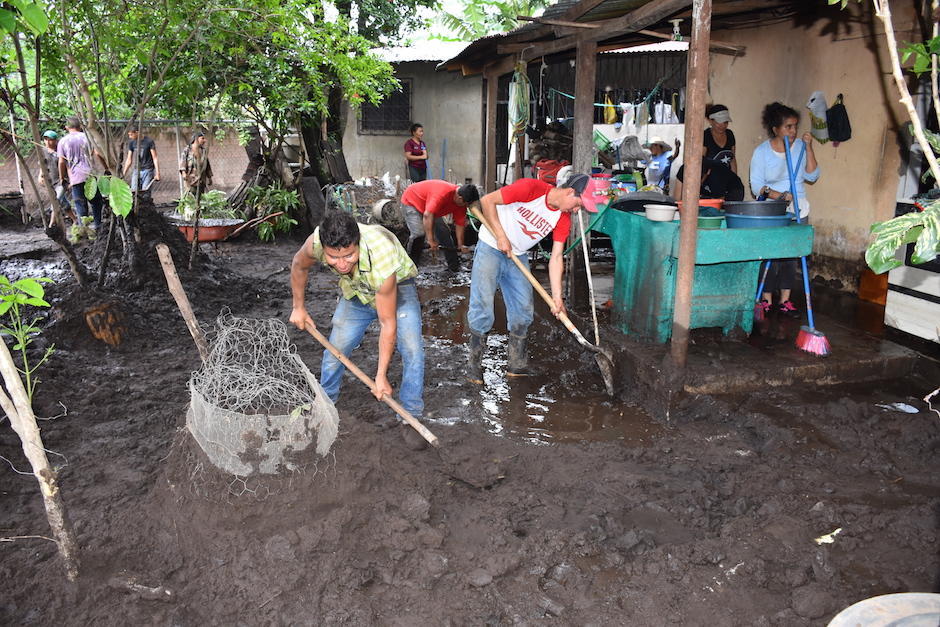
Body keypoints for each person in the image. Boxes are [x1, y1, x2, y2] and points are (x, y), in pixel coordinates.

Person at [289, 211, 425, 439]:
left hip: (396, 286)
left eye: (349, 255)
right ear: (324, 248)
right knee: (335, 350)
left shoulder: (381, 256)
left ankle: (410, 416)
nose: (341, 264)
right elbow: (298, 265)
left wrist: (381, 376)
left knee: (412, 348)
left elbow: (387, 322)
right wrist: (298, 307)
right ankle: (325, 407)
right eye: (333, 258)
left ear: (358, 243)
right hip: (357, 289)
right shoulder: (316, 244)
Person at [466, 173, 597, 383]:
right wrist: (500, 235)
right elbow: (487, 200)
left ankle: (516, 364)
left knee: (523, 312)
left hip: (517, 254)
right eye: (578, 204)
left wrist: (557, 297)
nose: (576, 210)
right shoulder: (531, 189)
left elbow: (556, 257)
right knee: (482, 308)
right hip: (491, 246)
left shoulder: (563, 217)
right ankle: (474, 364)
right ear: (570, 192)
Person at [749, 101, 820, 317]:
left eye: (795, 126)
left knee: (791, 257)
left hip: (799, 209)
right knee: (770, 255)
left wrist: (808, 147)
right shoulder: (762, 152)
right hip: (772, 211)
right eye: (788, 127)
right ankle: (767, 299)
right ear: (776, 129)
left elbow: (812, 175)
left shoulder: (799, 147)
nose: (793, 131)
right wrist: (779, 196)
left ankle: (786, 301)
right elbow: (756, 187)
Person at [399, 180, 479, 272]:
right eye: (466, 204)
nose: (467, 207)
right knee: (419, 233)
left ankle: (453, 267)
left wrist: (461, 245)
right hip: (412, 201)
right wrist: (431, 240)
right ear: (460, 198)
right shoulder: (442, 194)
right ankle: (410, 267)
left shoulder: (461, 204)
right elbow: (427, 215)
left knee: (444, 232)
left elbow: (460, 224)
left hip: (431, 209)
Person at [57, 117, 107, 230]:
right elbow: (98, 154)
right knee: (96, 202)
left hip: (75, 178)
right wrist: (106, 168)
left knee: (80, 205)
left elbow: (61, 162)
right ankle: (98, 225)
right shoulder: (87, 138)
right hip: (90, 175)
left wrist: (62, 177)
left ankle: (84, 229)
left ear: (66, 127)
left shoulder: (63, 141)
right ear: (80, 126)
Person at [38, 130, 75, 223]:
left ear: (55, 140)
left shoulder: (60, 151)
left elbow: (67, 166)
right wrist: (40, 175)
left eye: (50, 140)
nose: (48, 142)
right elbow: (43, 165)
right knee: (62, 201)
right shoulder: (43, 151)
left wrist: (70, 179)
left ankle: (51, 224)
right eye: (46, 139)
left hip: (62, 180)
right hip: (51, 180)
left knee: (56, 200)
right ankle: (75, 220)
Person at [673, 158, 745, 202]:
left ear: (708, 172)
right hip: (708, 193)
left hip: (733, 192)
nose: (695, 183)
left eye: (699, 180)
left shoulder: (718, 174)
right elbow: (677, 198)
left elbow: (718, 202)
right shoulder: (683, 170)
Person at [122, 127, 160, 193]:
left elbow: (155, 158)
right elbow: (129, 160)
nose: (130, 137)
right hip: (137, 169)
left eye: (131, 135)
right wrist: (123, 174)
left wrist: (157, 173)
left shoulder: (149, 141)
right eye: (129, 135)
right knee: (133, 191)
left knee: (145, 192)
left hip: (148, 170)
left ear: (137, 132)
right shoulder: (132, 143)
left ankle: (146, 203)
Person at [704, 104, 737, 173]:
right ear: (711, 121)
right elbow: (701, 161)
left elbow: (732, 159)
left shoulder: (730, 134)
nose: (722, 126)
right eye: (719, 122)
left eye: (725, 122)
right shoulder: (705, 136)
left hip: (727, 179)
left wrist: (735, 179)